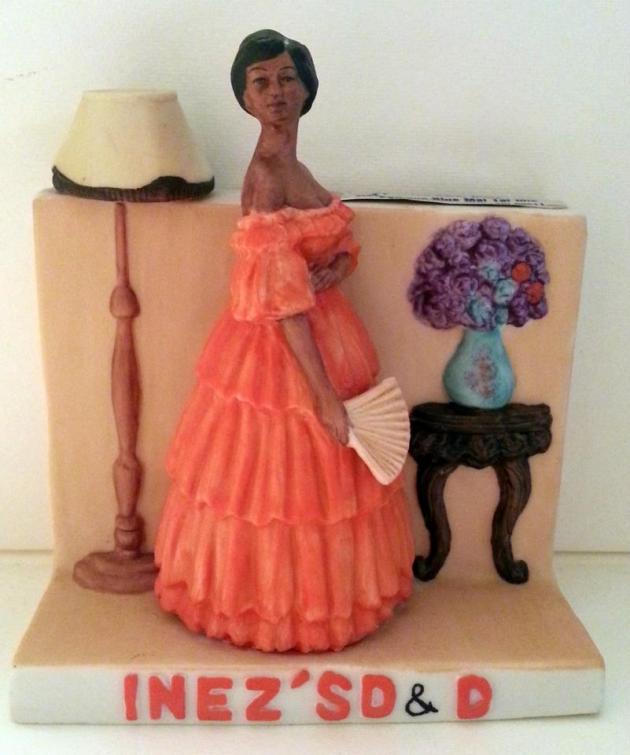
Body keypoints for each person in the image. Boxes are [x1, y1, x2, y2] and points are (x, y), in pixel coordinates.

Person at [154, 30, 414, 653]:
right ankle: (273, 609)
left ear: (307, 89)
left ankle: (323, 601)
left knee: (325, 489)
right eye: (261, 82)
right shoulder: (267, 175)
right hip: (280, 351)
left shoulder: (294, 165)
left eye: (286, 79)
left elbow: (334, 247)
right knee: (276, 485)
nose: (275, 93)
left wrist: (333, 268)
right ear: (244, 97)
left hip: (327, 329)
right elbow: (280, 302)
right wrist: (323, 396)